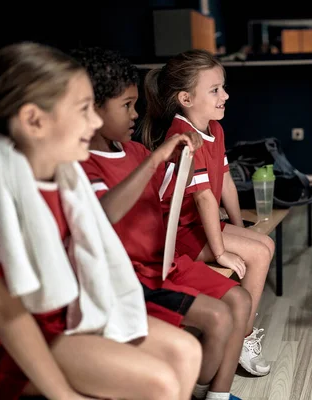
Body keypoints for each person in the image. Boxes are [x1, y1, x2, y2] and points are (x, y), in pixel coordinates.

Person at [0, 42, 202, 400]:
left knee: (187, 352)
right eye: (82, 110)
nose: (94, 122)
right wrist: (62, 394)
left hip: (73, 315)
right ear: (34, 120)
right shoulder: (7, 194)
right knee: (160, 382)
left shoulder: (65, 179)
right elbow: (8, 316)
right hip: (29, 334)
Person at [74, 46, 247, 400]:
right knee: (216, 321)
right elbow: (106, 213)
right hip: (134, 274)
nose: (135, 115)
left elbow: (170, 201)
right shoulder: (85, 164)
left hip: (166, 264)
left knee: (240, 303)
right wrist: (156, 162)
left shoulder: (138, 152)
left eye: (135, 105)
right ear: (92, 110)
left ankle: (213, 392)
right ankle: (192, 387)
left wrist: (180, 164)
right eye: (126, 106)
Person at [142, 49, 274, 377]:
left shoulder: (214, 127)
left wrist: (242, 227)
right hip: (174, 235)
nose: (225, 95)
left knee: (264, 245)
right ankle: (240, 338)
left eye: (223, 87)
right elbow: (203, 198)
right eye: (215, 90)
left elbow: (225, 179)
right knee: (257, 255)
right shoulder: (182, 134)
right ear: (186, 98)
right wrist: (222, 252)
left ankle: (238, 333)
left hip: (201, 224)